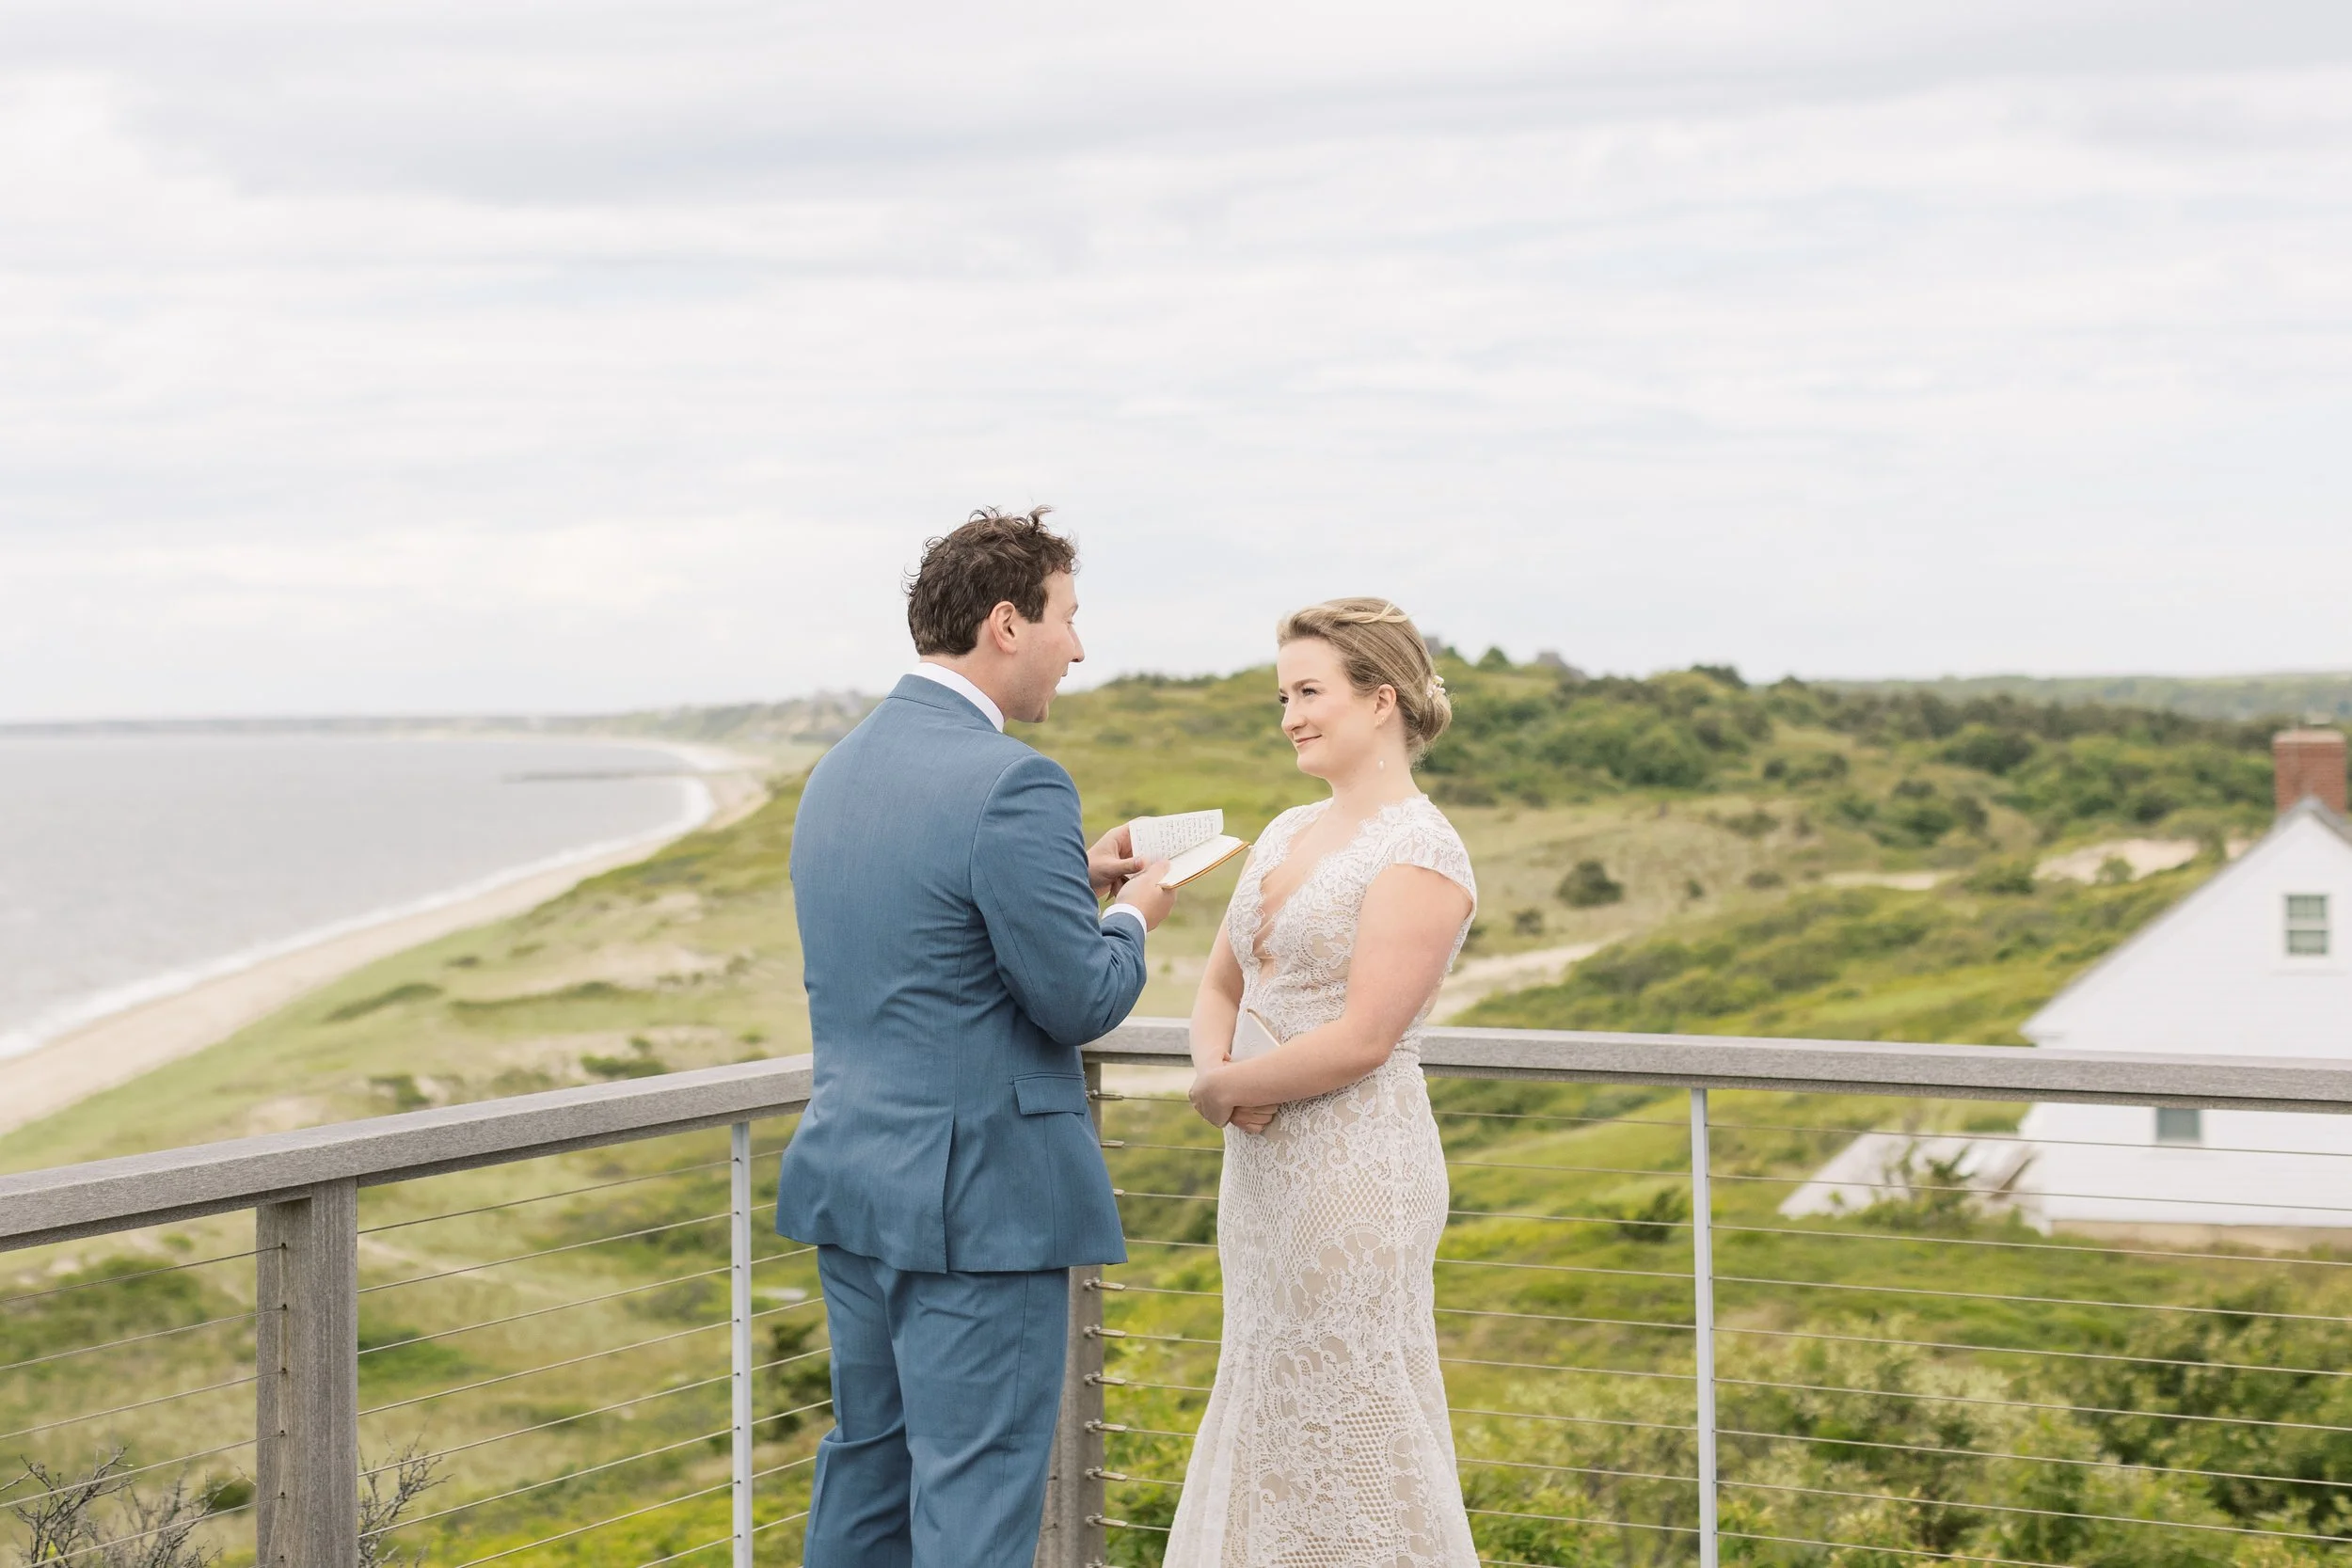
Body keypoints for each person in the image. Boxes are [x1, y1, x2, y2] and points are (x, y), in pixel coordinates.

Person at [774, 508, 1179, 1568]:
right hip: (979, 1209)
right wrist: (1135, 916)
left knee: (869, 1471)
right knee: (976, 1507)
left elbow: (927, 934)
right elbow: (1078, 998)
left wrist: (1060, 880)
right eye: (1068, 618)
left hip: (856, 1181)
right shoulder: (1015, 781)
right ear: (1007, 622)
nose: (1078, 647)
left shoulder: (839, 771)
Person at [1167, 597, 1480, 1567]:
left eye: (1309, 691)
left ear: (1379, 699)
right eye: (1282, 695)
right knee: (1268, 1384)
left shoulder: (1422, 849)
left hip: (1354, 1169)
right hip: (1263, 1171)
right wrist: (1213, 1068)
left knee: (1348, 1400)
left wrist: (1222, 1093)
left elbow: (1363, 1036)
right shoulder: (1286, 827)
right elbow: (1220, 979)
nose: (1290, 714)